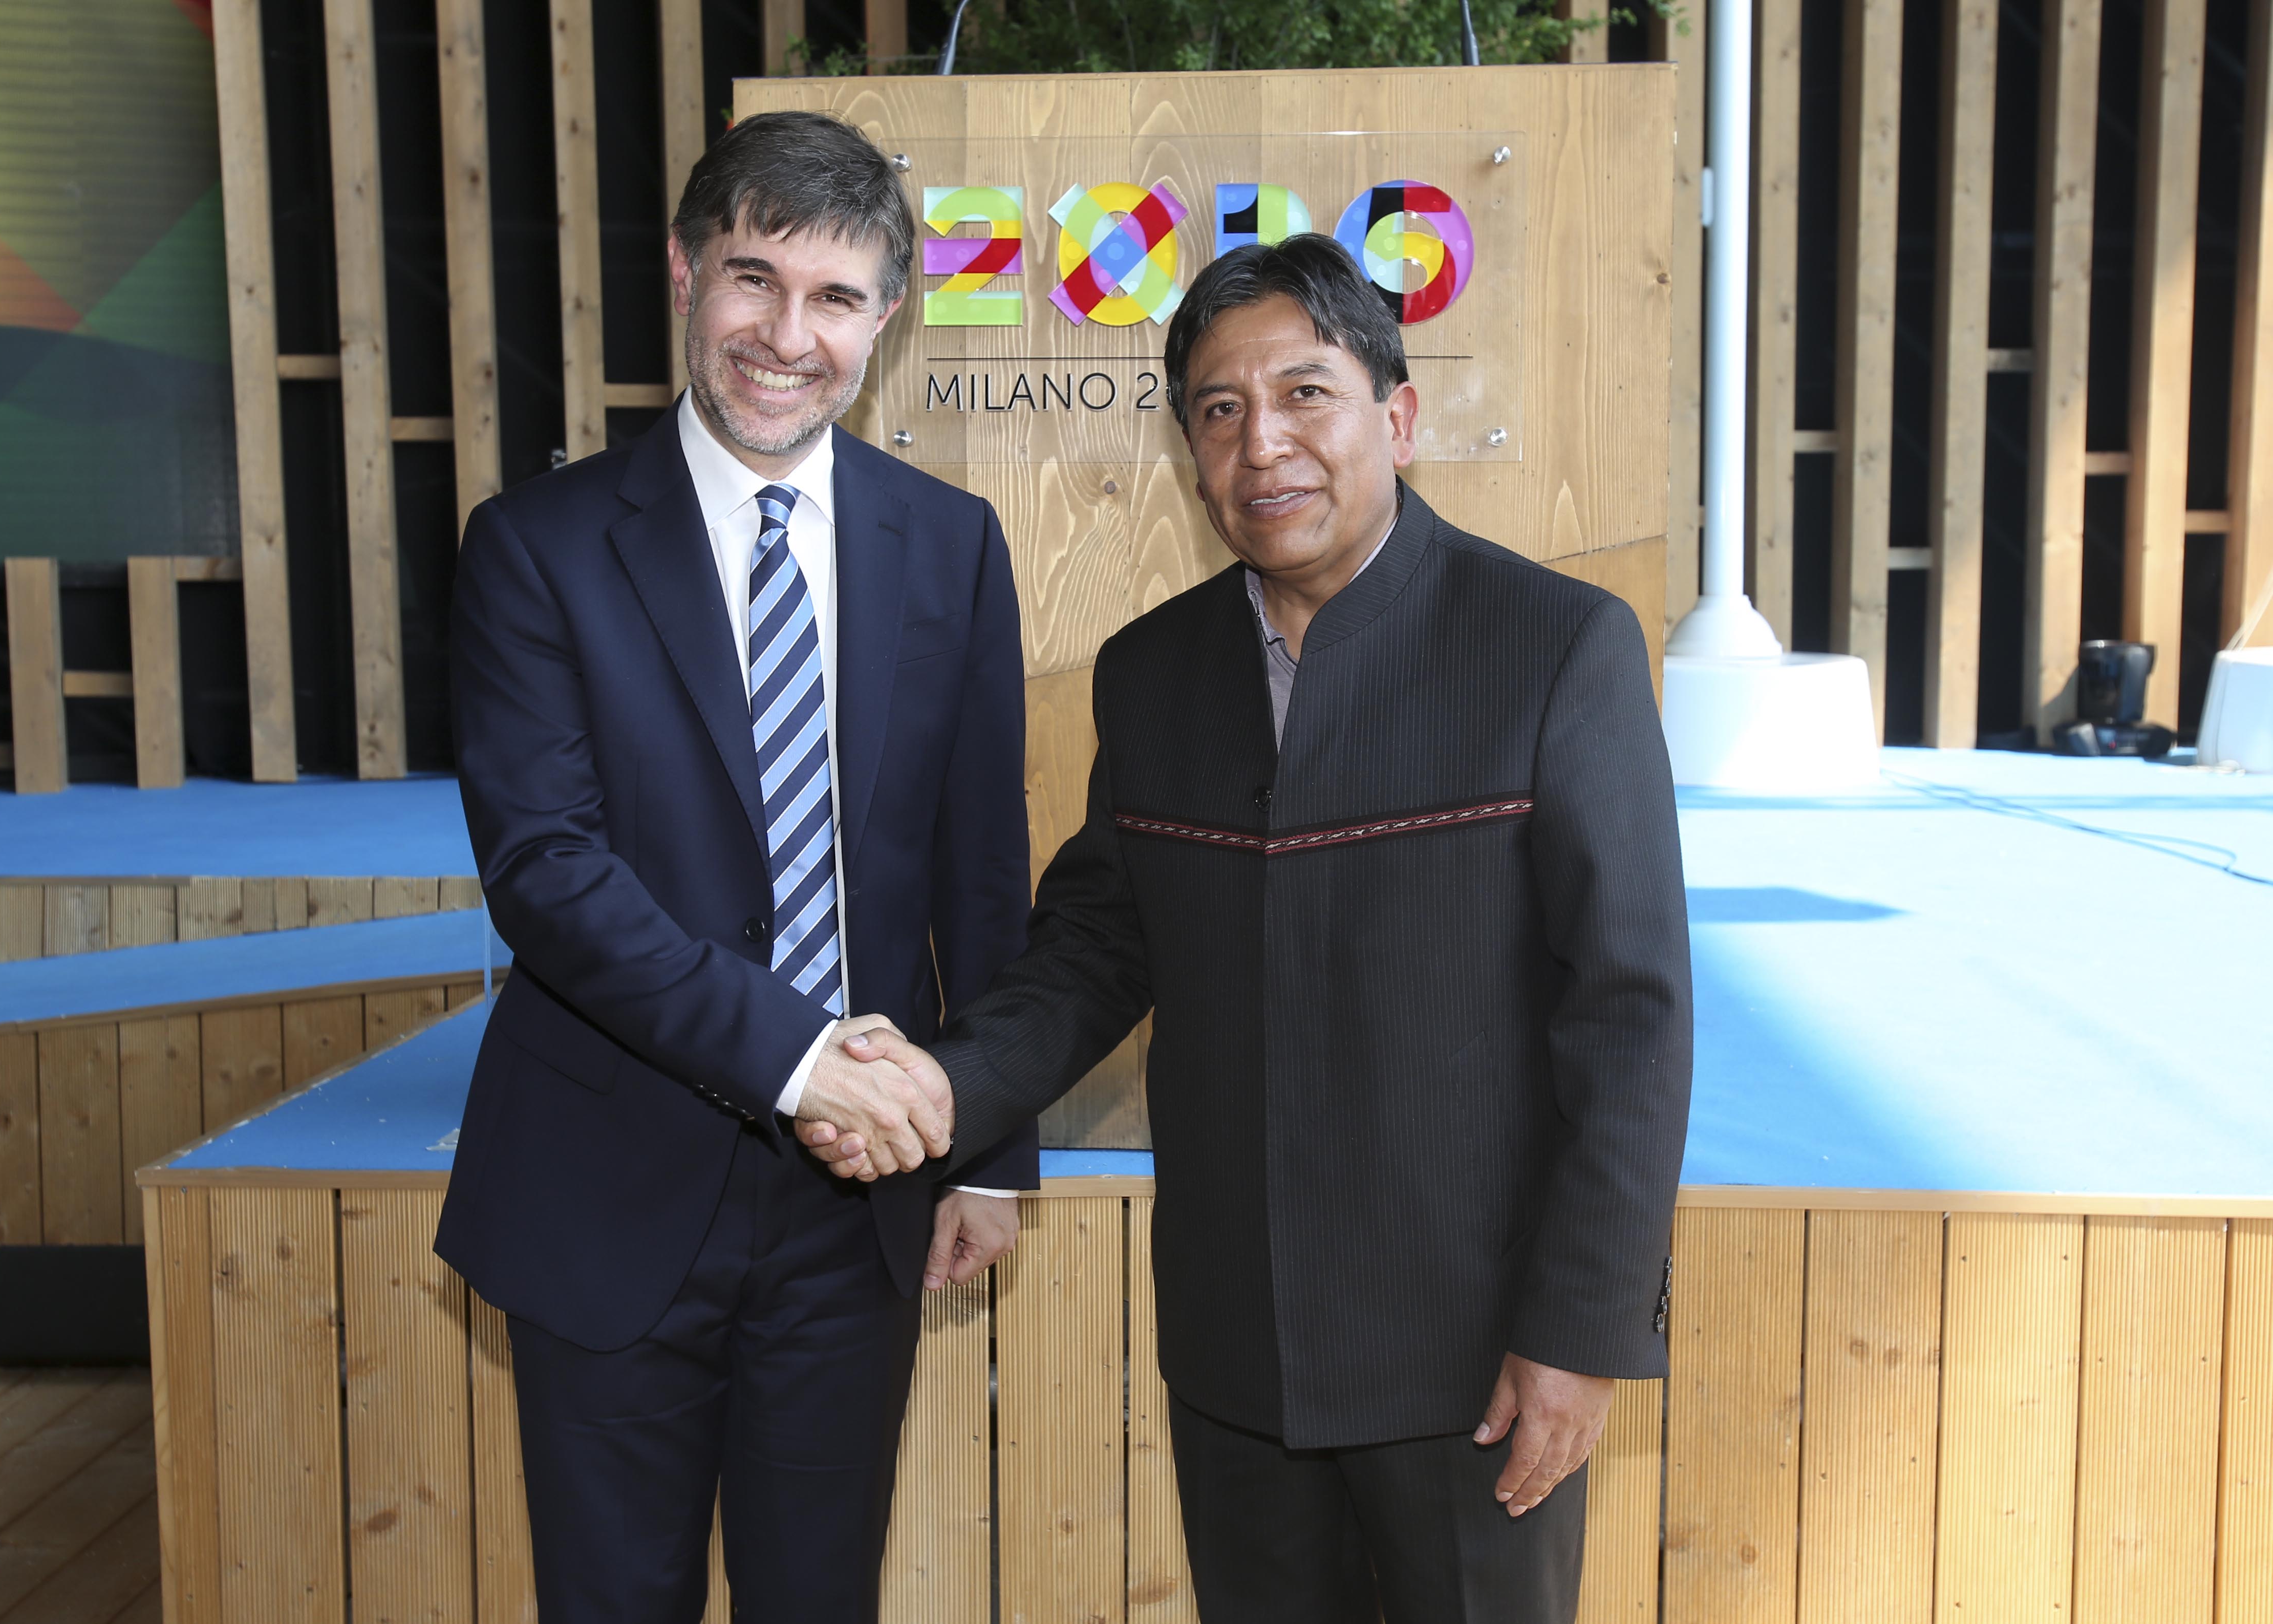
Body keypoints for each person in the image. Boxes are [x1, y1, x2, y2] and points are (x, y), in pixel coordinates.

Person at [802, 234, 1693, 1623]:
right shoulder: (1153, 673)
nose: (1262, 443)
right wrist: (941, 1088)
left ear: (1398, 416)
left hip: (1476, 1362)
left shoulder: (1555, 646)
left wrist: (1579, 1331)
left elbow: (1631, 1012)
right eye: (1219, 411)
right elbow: (1094, 952)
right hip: (1238, 1359)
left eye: (1305, 395)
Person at [433, 110, 1035, 1624]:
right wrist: (801, 1057)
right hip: (610, 1186)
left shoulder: (952, 545)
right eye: (755, 278)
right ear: (687, 271)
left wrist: (989, 1147)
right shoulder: (536, 548)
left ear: (884, 321)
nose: (787, 335)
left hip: (863, 1204)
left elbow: (980, 870)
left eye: (835, 297)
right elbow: (547, 874)